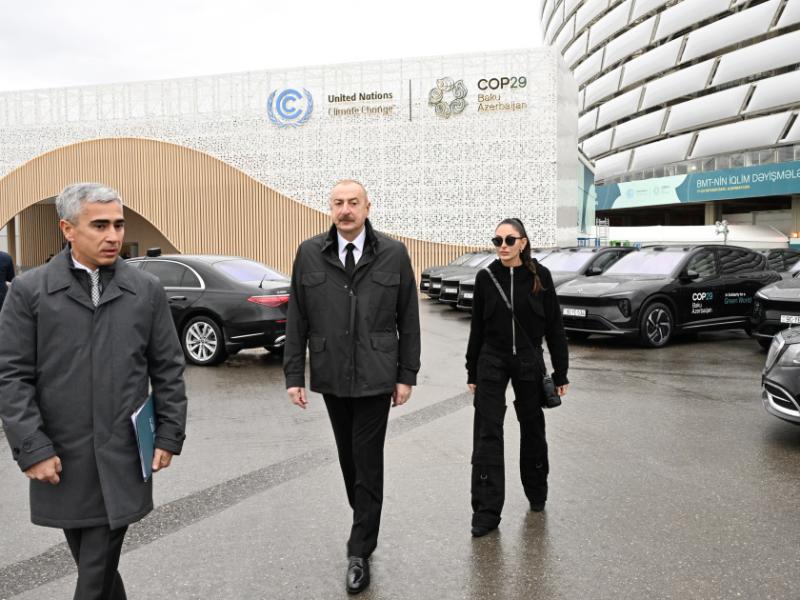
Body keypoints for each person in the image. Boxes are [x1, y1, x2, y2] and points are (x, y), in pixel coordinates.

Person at [0, 183, 188, 600]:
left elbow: (168, 368)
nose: (114, 236)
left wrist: (170, 432)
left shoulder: (146, 291)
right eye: (99, 225)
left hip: (124, 450)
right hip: (62, 455)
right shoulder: (30, 293)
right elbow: (11, 377)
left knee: (96, 563)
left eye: (118, 224)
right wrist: (32, 447)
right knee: (95, 561)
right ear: (68, 229)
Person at [284, 179, 420, 594]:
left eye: (353, 203)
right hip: (331, 372)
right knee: (349, 460)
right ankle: (364, 516)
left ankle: (359, 549)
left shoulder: (393, 254)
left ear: (367, 207)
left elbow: (408, 318)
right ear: (331, 208)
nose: (345, 210)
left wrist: (406, 374)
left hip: (377, 374)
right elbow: (297, 317)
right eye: (338, 203)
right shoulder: (309, 253)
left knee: (367, 458)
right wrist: (294, 375)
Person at [465, 218, 569, 537]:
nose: (503, 247)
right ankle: (486, 511)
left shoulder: (541, 276)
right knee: (487, 434)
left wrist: (560, 371)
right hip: (491, 360)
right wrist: (472, 370)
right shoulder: (486, 278)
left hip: (528, 359)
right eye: (497, 241)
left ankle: (536, 492)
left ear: (523, 242)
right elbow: (477, 328)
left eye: (510, 240)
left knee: (532, 427)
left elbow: (555, 327)